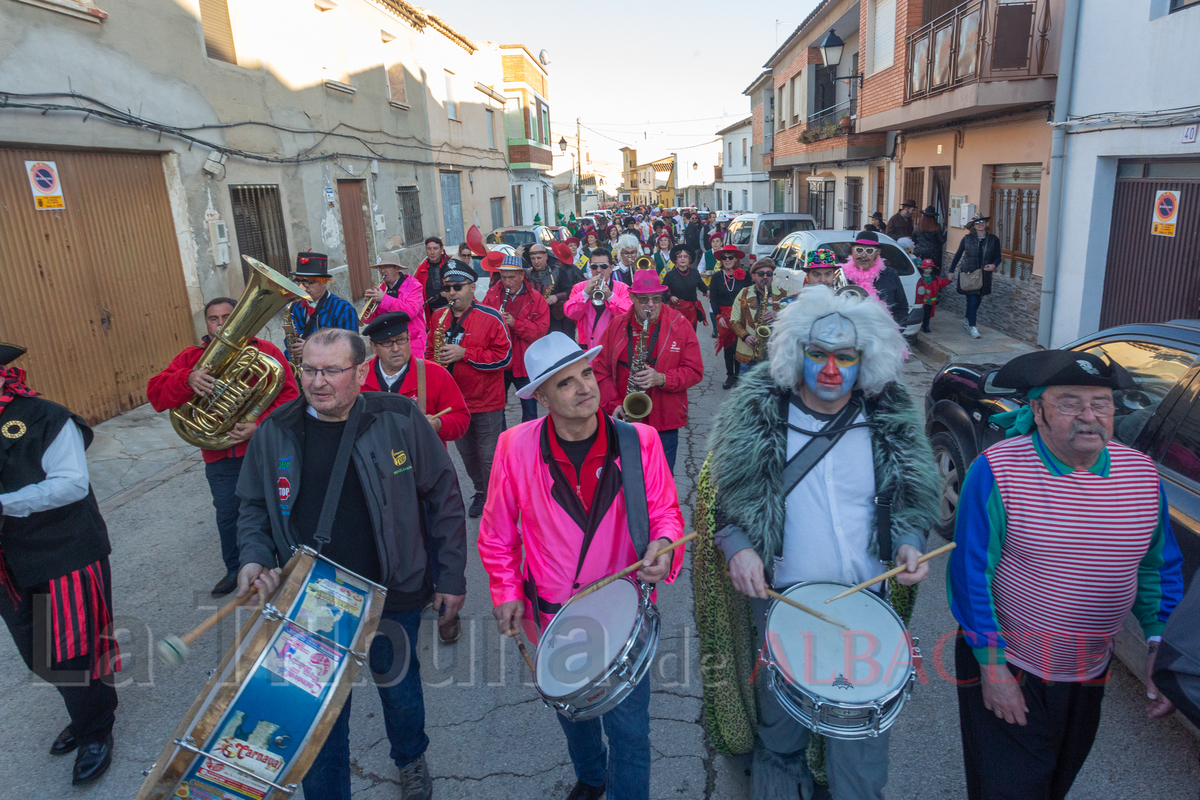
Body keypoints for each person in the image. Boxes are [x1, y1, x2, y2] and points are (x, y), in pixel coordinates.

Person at [696, 286, 941, 800]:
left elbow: (912, 498)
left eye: (845, 357)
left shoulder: (887, 421)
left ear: (864, 360)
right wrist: (739, 545)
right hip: (781, 607)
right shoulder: (757, 415)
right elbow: (724, 503)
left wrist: (911, 541)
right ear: (796, 354)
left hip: (865, 607)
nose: (832, 370)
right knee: (780, 736)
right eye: (819, 355)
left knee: (859, 746)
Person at [235, 327, 467, 800]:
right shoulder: (275, 430)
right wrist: (255, 557)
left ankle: (410, 758)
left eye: (332, 371)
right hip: (311, 604)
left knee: (400, 694)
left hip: (394, 593)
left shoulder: (398, 417)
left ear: (361, 372)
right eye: (309, 370)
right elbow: (253, 506)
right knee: (319, 717)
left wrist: (451, 575)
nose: (318, 382)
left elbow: (443, 495)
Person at [948, 349, 1184, 800]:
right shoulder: (999, 470)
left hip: (1088, 665)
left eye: (1101, 403)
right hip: (1011, 660)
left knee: (1055, 781)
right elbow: (970, 575)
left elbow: (1158, 569)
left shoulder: (1141, 475)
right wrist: (993, 672)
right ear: (1036, 411)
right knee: (1010, 789)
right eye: (1069, 402)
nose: (1089, 416)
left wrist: (1160, 644)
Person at [478, 332, 686, 800]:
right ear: (543, 397)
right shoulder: (514, 447)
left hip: (623, 618)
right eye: (565, 383)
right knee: (573, 714)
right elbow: (496, 534)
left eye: (586, 374)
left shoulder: (640, 440)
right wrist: (506, 591)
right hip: (551, 615)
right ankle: (592, 777)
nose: (584, 388)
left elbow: (666, 514)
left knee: (631, 732)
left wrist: (666, 545)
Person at [0, 343, 121, 787]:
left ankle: (96, 730)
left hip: (64, 552)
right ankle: (84, 710)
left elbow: (71, 484)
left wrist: (4, 505)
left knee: (74, 652)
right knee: (37, 652)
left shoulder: (45, 416)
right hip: (9, 563)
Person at [147, 297, 300, 596]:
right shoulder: (191, 359)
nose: (219, 324)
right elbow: (156, 395)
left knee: (279, 507)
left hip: (264, 449)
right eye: (213, 318)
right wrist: (186, 379)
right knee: (229, 513)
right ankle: (235, 568)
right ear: (206, 324)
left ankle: (290, 563)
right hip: (220, 454)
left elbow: (291, 399)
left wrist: (259, 425)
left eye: (227, 317)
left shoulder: (265, 352)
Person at [593, 271, 704, 471]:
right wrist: (613, 404)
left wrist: (662, 378)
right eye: (643, 299)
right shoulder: (617, 325)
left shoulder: (679, 324)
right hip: (624, 418)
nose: (650, 304)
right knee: (624, 478)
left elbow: (694, 370)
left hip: (665, 422)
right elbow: (599, 370)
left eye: (656, 298)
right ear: (632, 297)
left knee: (662, 481)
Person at [427, 263, 513, 518]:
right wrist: (434, 366)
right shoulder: (438, 317)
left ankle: (496, 500)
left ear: (472, 288)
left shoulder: (490, 317)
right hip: (453, 404)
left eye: (457, 287)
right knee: (467, 455)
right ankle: (481, 491)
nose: (452, 293)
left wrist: (465, 353)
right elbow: (430, 352)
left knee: (489, 457)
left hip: (486, 402)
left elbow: (504, 357)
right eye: (447, 289)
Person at [361, 311, 470, 445]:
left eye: (401, 340)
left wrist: (438, 424)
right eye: (386, 343)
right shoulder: (359, 377)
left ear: (408, 338)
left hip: (423, 461)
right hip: (374, 461)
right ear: (373, 347)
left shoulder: (435, 373)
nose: (395, 348)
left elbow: (461, 419)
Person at [484, 255, 550, 422]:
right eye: (504, 277)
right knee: (497, 408)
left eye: (512, 277)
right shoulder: (492, 296)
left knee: (529, 411)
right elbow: (482, 325)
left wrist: (515, 323)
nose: (507, 283)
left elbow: (540, 331)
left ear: (522, 275)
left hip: (524, 362)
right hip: (500, 361)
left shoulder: (536, 298)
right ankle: (502, 442)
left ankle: (529, 442)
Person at [288, 252, 359, 363]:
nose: (304, 288)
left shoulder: (344, 310)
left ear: (323, 283)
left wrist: (310, 349)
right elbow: (289, 341)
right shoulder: (294, 307)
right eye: (300, 282)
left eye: (309, 283)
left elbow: (352, 349)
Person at [564, 247, 633, 351]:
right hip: (588, 349)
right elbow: (570, 313)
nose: (598, 270)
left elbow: (629, 315)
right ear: (590, 267)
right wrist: (585, 293)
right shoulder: (579, 288)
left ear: (611, 268)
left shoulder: (623, 288)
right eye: (594, 266)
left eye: (604, 266)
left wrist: (610, 296)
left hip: (613, 348)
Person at [361, 252, 427, 360]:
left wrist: (384, 299)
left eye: (386, 267)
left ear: (397, 268)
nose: (382, 271)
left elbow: (410, 312)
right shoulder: (380, 289)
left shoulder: (414, 286)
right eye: (380, 268)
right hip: (389, 342)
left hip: (412, 341)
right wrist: (369, 305)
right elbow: (368, 320)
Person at [949, 213, 1002, 340]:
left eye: (982, 222)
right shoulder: (967, 239)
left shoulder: (993, 239)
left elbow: (998, 257)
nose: (980, 224)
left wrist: (993, 265)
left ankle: (967, 320)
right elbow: (957, 255)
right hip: (969, 274)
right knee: (972, 300)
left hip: (984, 274)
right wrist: (951, 270)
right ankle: (973, 327)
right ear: (973, 226)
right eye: (977, 223)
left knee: (977, 300)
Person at [730, 258, 787, 374]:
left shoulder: (784, 295)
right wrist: (745, 337)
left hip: (774, 356)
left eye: (769, 274)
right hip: (748, 354)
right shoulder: (744, 293)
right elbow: (734, 321)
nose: (765, 277)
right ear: (753, 276)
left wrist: (780, 315)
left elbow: (794, 321)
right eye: (761, 274)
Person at [839, 231, 909, 326]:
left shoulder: (890, 274)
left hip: (883, 335)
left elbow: (901, 307)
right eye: (859, 250)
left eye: (869, 251)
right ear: (852, 251)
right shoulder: (841, 274)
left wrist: (895, 331)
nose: (863, 255)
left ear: (878, 253)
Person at [709, 244, 751, 389]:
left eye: (730, 257)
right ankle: (730, 375)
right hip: (724, 317)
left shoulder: (745, 276)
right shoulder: (716, 277)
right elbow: (713, 298)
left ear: (736, 259)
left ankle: (739, 375)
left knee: (739, 345)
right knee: (728, 347)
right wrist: (718, 315)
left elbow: (751, 292)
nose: (727, 260)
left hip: (741, 316)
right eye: (724, 257)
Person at [662, 244, 710, 331]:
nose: (683, 258)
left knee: (691, 336)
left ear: (689, 259)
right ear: (676, 259)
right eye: (680, 256)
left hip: (691, 312)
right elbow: (662, 293)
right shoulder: (670, 275)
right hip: (676, 312)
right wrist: (670, 297)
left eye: (685, 256)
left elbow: (702, 286)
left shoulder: (695, 273)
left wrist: (708, 291)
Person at [415, 236, 453, 311]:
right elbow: (415, 290)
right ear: (426, 250)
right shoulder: (421, 269)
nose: (432, 252)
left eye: (435, 248)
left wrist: (449, 294)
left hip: (449, 307)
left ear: (441, 249)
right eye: (429, 249)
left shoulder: (449, 266)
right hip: (429, 309)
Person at [914, 259, 951, 334]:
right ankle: (920, 326)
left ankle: (926, 327)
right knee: (921, 315)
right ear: (923, 268)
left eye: (930, 268)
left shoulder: (935, 278)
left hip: (930, 302)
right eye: (927, 268)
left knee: (927, 315)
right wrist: (924, 291)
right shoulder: (919, 278)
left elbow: (942, 283)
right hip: (921, 301)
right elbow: (915, 287)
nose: (928, 270)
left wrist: (949, 279)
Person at [913, 206, 947, 273]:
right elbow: (942, 241)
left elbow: (913, 239)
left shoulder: (917, 227)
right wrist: (946, 232)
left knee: (919, 272)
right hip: (933, 254)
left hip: (919, 253)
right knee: (932, 273)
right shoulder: (936, 227)